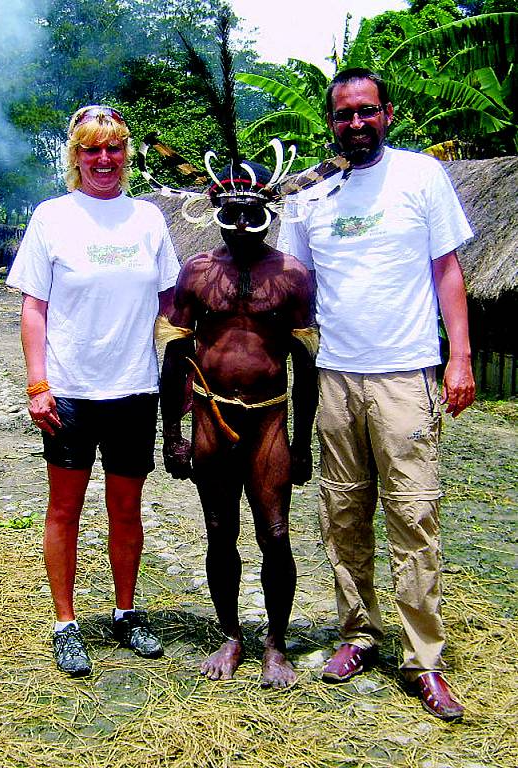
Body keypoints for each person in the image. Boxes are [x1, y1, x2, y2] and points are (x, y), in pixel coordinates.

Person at [278, 68, 475, 720]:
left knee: (413, 516)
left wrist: (459, 359)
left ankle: (423, 659)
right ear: (329, 121)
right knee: (342, 516)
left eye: (366, 111)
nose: (355, 123)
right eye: (343, 115)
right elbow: (294, 286)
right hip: (333, 377)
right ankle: (355, 634)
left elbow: (446, 268)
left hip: (405, 374)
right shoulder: (308, 193)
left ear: (386, 113)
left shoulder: (422, 176)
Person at [7, 105, 180, 677]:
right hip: (71, 392)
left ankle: (126, 611)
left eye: (114, 148)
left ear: (126, 154)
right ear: (75, 157)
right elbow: (34, 308)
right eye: (91, 149)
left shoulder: (149, 219)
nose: (103, 160)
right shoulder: (52, 217)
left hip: (134, 388)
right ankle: (65, 623)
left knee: (127, 508)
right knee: (66, 509)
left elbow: (172, 304)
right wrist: (38, 384)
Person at [160, 161, 318, 688]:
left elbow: (306, 365)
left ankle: (275, 642)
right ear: (218, 214)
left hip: (269, 421)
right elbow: (175, 355)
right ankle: (230, 634)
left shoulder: (292, 275)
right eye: (233, 213)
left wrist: (300, 442)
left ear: (268, 212)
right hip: (210, 416)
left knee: (275, 535)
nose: (243, 223)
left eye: (254, 213)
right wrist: (173, 436)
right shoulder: (198, 272)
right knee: (219, 530)